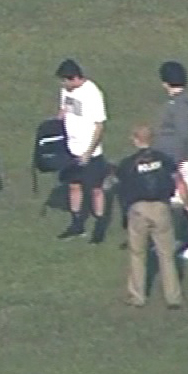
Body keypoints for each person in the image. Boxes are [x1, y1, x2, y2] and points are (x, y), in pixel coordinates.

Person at [109, 125, 186, 309]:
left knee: (138, 254)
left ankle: (137, 296)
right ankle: (173, 297)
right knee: (167, 255)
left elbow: (120, 185)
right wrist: (186, 204)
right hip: (161, 208)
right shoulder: (163, 159)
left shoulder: (129, 163)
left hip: (139, 209)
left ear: (136, 139)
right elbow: (177, 179)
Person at [56, 58, 112, 242]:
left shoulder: (92, 93)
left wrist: (89, 151)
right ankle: (77, 225)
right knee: (74, 186)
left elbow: (99, 125)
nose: (63, 85)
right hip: (71, 148)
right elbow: (64, 110)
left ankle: (99, 227)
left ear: (74, 78)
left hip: (90, 152)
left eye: (65, 81)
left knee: (96, 189)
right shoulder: (65, 90)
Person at [155, 61, 188, 259]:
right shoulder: (178, 102)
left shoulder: (181, 105)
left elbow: (183, 136)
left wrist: (175, 162)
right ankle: (177, 239)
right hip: (173, 159)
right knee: (172, 203)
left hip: (179, 161)